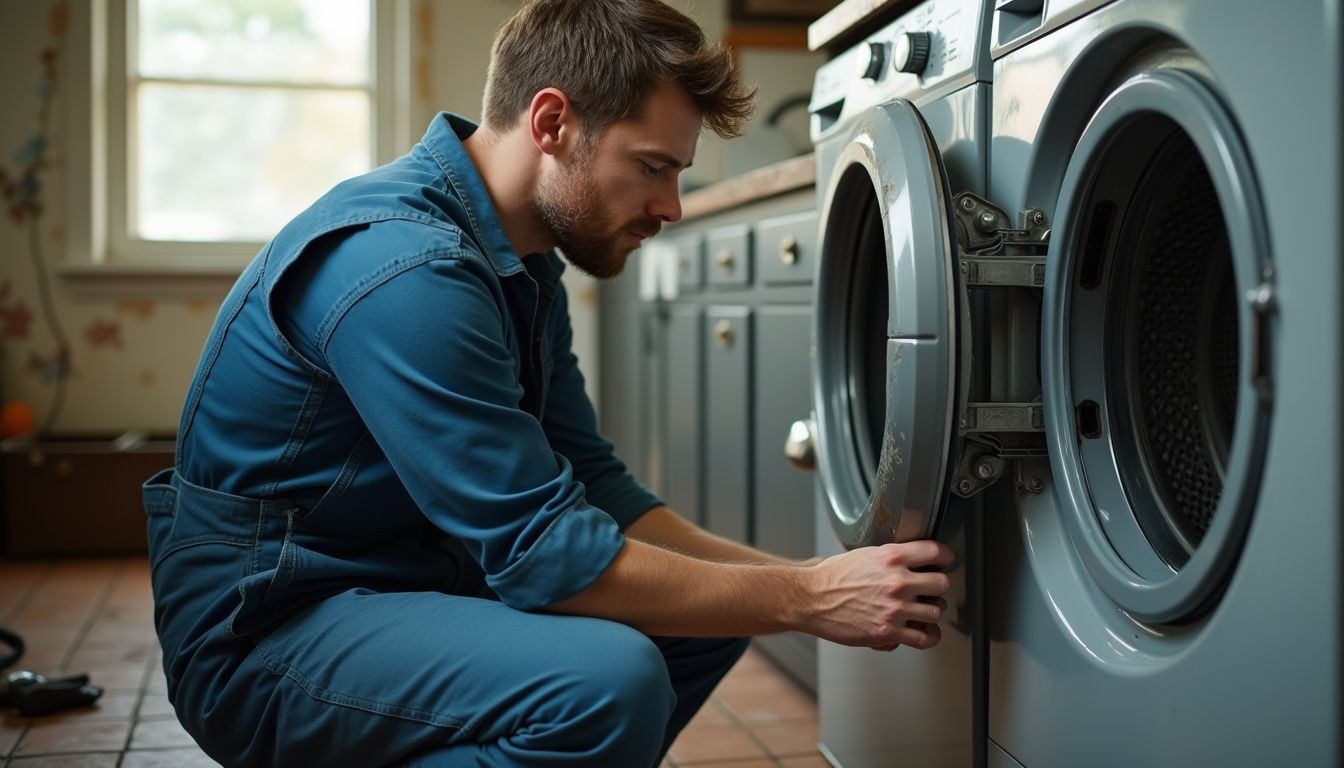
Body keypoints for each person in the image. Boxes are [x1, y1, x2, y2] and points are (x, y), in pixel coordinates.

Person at [143, 0, 954, 765]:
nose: (672, 206)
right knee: (607, 680)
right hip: (267, 628)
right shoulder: (407, 268)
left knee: (711, 617)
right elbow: (545, 557)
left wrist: (790, 582)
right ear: (552, 122)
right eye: (651, 167)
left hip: (400, 579)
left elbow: (598, 487)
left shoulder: (521, 262)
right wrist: (807, 599)